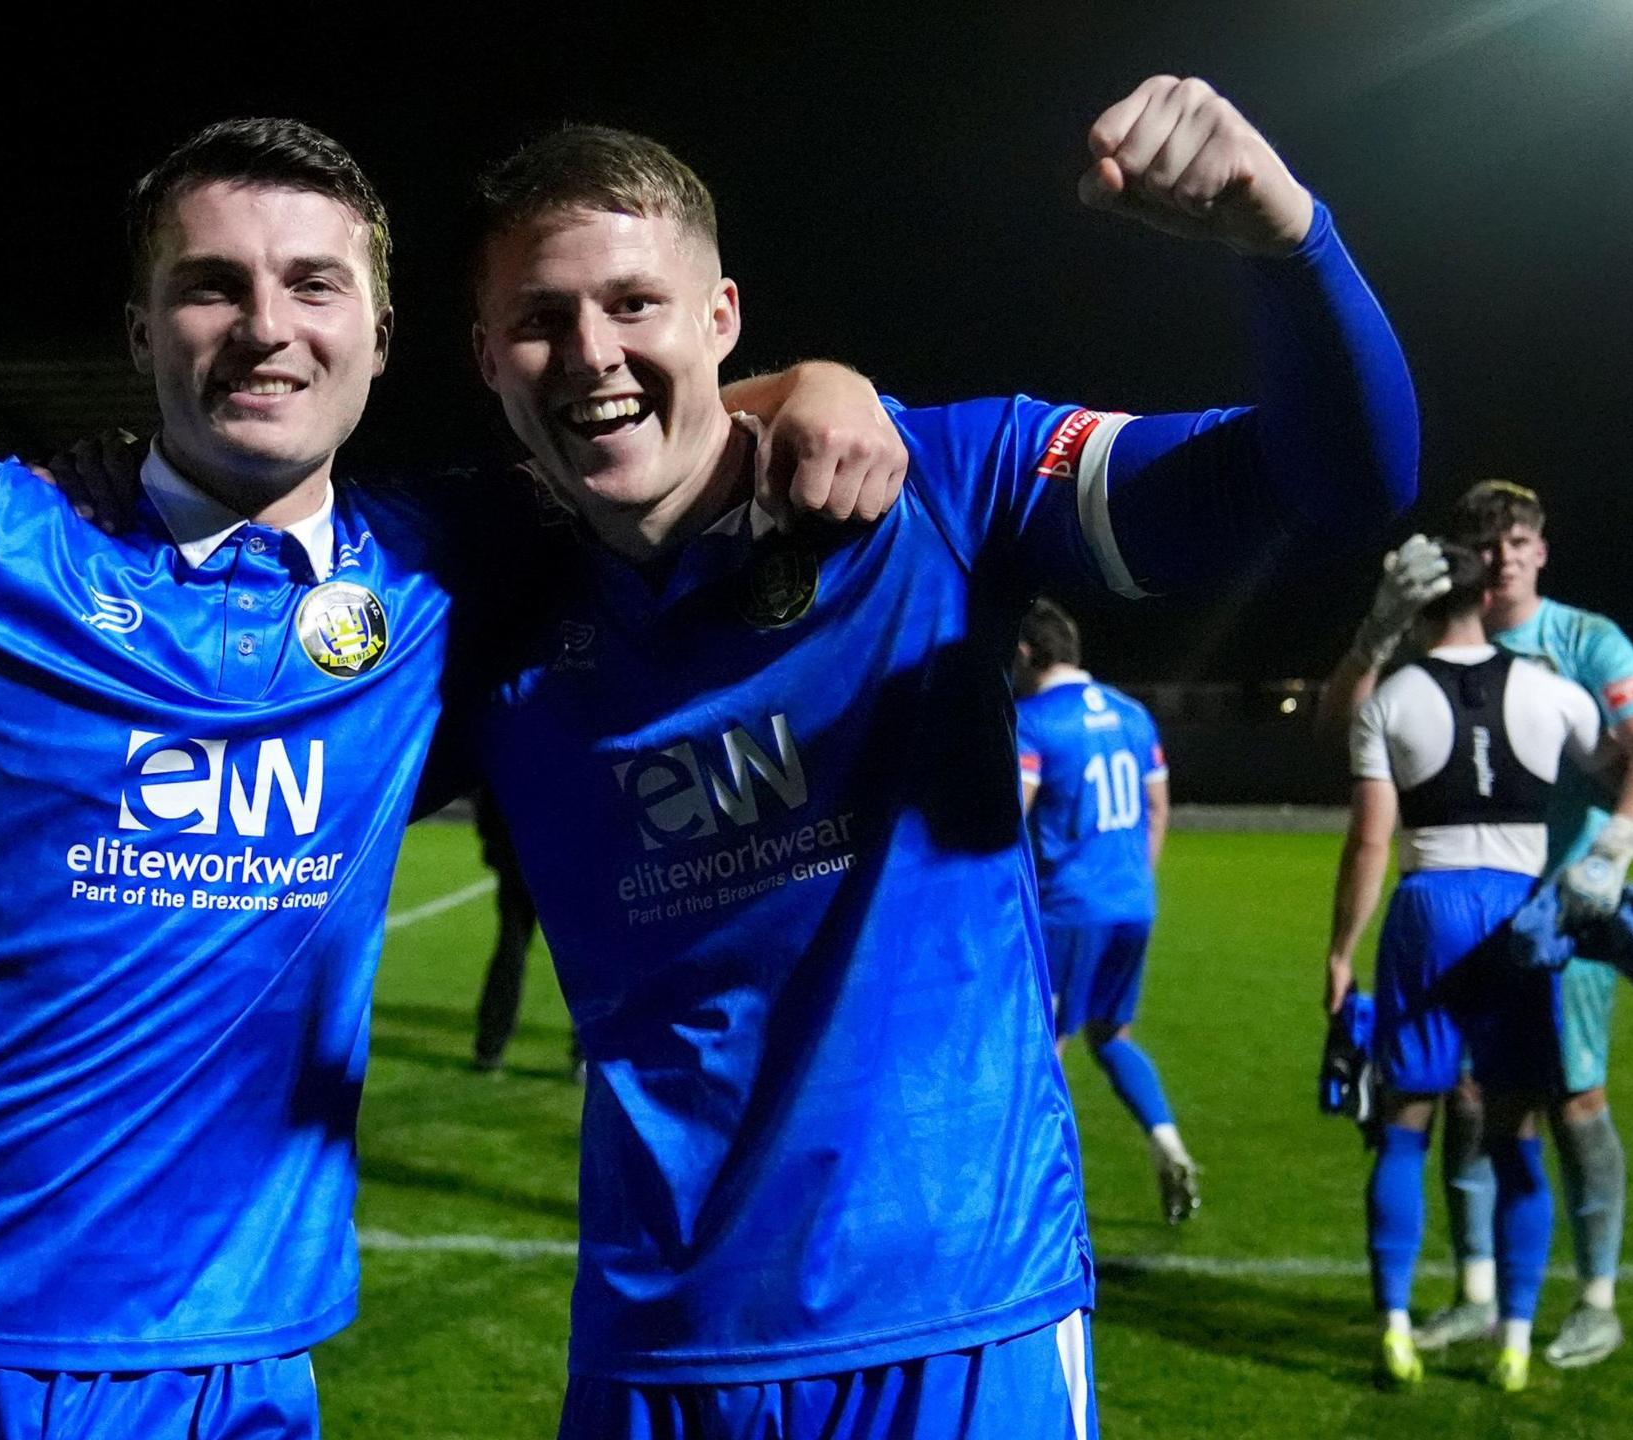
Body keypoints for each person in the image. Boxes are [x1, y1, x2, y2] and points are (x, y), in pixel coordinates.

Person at [0, 40, 895, 1440]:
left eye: (312, 283)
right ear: (140, 335)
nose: (264, 326)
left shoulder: (445, 564)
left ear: (379, 333)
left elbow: (661, 419)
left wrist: (820, 386)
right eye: (210, 286)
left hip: (241, 1358)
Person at [463, 87, 1414, 1437]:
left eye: (634, 304)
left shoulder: (940, 482)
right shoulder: (467, 598)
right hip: (658, 1348)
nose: (590, 353)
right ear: (485, 357)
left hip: (964, 1324)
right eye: (540, 319)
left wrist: (1288, 243)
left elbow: (1336, 481)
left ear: (722, 317)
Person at [1316, 480, 1633, 1368]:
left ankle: (1596, 1298)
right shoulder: (1440, 652)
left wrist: (1615, 847)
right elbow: (1337, 727)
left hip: (1568, 905)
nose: (1507, 552)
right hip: (1500, 904)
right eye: (1491, 540)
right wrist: (1371, 632)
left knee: (1570, 1100)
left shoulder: (1585, 642)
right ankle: (1484, 1297)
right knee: (1478, 1104)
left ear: (1541, 549)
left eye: (1520, 537)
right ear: (1474, 564)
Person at [1325, 540, 1604, 1392]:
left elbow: (1371, 838)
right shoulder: (1554, 690)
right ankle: (1516, 1340)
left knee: (1407, 1124)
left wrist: (1340, 951)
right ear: (1487, 596)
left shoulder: (1392, 700)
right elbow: (1622, 764)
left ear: (1414, 606)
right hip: (1520, 910)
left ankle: (1397, 1329)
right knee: (1516, 1134)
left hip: (1429, 905)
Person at [1012, 599, 1196, 1223]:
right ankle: (1166, 1140)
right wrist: (1134, 882)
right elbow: (1159, 809)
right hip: (1132, 903)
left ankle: (1048, 1215)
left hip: (1068, 912)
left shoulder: (1033, 722)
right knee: (1112, 1036)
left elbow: (1011, 816)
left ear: (1025, 653)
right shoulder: (1132, 714)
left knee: (1047, 1052)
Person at [468, 789, 577, 1077]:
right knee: (580, 958)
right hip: (564, 862)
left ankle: (489, 1048)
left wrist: (491, 842)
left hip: (518, 856)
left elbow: (489, 794)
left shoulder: (516, 749)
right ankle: (584, 1053)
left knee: (510, 950)